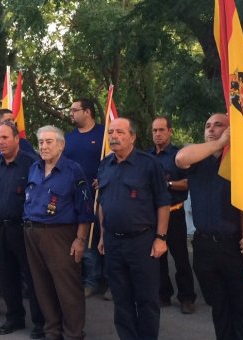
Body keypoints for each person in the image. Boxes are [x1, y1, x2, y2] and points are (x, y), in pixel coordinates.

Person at [175, 113, 243, 340]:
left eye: (218, 125)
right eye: (207, 126)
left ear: (230, 130)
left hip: (239, 245)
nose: (211, 129)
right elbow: (180, 158)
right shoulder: (198, 160)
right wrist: (218, 143)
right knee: (219, 308)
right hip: (205, 247)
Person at [97, 117, 170, 340]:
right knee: (121, 298)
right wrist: (102, 237)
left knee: (147, 299)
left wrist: (160, 237)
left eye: (119, 132)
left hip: (142, 242)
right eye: (110, 133)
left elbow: (163, 203)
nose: (113, 137)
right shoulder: (104, 166)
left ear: (133, 137)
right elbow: (102, 203)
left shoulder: (149, 165)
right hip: (112, 242)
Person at [23, 125, 93, 340]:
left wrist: (80, 240)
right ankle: (52, 330)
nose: (43, 146)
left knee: (67, 287)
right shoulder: (34, 167)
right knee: (42, 286)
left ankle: (73, 333)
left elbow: (85, 209)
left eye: (49, 142)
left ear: (61, 145)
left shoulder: (73, 170)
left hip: (60, 234)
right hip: (32, 233)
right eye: (41, 142)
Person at [0, 122, 44, 338]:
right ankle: (14, 318)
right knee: (6, 275)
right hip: (1, 228)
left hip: (24, 230)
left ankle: (40, 322)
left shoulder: (32, 164)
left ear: (16, 139)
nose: (0, 142)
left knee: (32, 278)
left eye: (4, 138)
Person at [150, 116, 197, 313]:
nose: (158, 134)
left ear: (170, 131)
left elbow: (189, 182)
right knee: (157, 257)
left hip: (174, 213)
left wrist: (167, 184)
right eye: (154, 131)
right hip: (153, 215)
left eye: (161, 130)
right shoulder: (147, 157)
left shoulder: (180, 156)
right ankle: (163, 294)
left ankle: (186, 298)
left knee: (180, 258)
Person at [62, 98, 106, 300]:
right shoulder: (69, 139)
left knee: (103, 238)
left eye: (74, 110)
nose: (71, 113)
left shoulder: (104, 134)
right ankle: (90, 280)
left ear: (87, 112)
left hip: (101, 197)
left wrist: (104, 178)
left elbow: (113, 160)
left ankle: (109, 281)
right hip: (76, 198)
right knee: (84, 239)